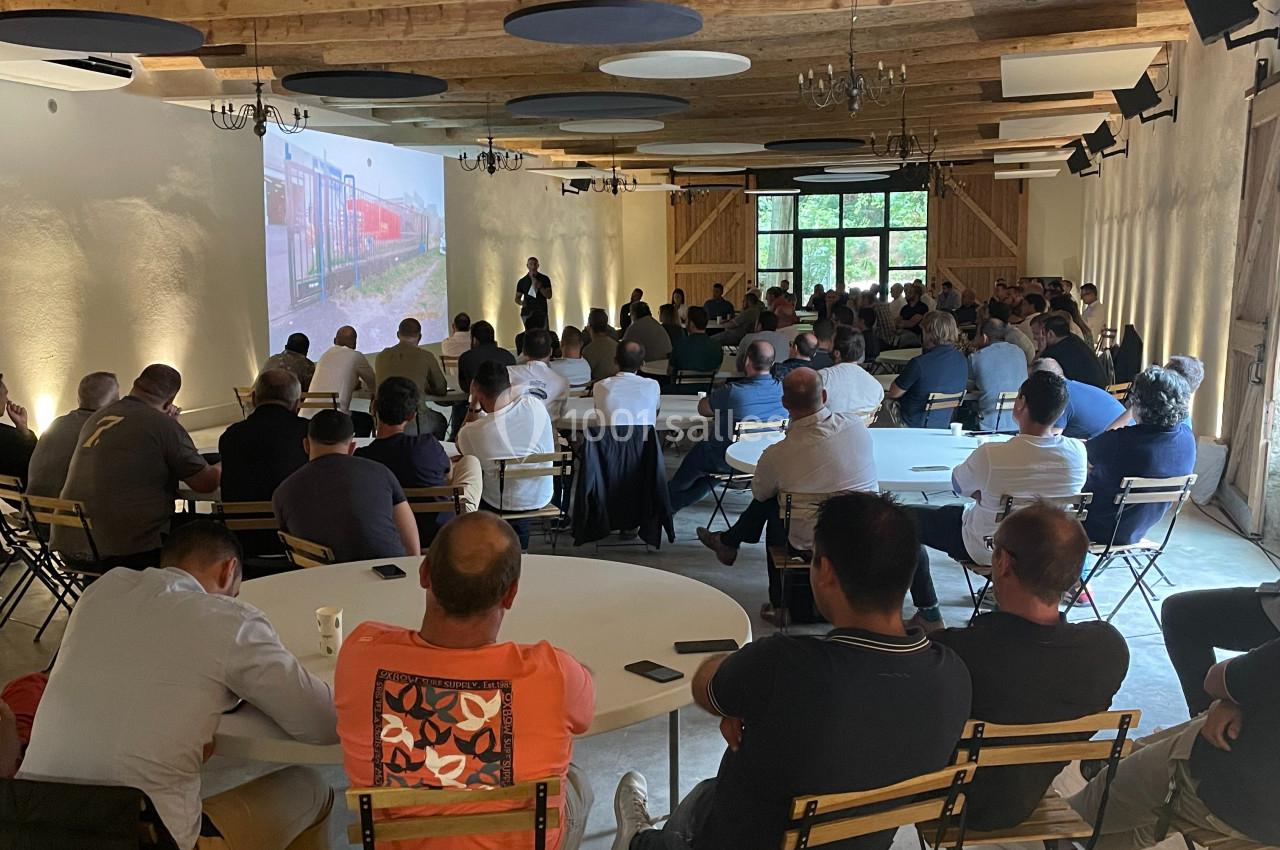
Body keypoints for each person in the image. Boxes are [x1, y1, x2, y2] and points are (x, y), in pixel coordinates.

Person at [614, 492, 973, 850]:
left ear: (826, 571)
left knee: (697, 808)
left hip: (740, 839)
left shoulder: (785, 664)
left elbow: (705, 687)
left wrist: (745, 685)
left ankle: (636, 840)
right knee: (704, 795)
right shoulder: (953, 675)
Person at [17, 522, 338, 850]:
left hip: (27, 824)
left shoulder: (100, 592)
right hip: (141, 837)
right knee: (310, 787)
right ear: (229, 570)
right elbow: (324, 724)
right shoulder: (229, 620)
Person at [336, 511, 594, 850]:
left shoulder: (358, 654)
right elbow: (584, 716)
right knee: (576, 783)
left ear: (424, 573)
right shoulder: (556, 673)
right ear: (511, 594)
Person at [931, 503, 1129, 830]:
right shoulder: (1108, 649)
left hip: (947, 801)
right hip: (1028, 797)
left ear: (1004, 563)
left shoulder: (953, 654)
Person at [905, 371, 1087, 630]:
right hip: (1047, 550)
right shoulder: (1077, 453)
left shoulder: (992, 454)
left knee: (901, 519)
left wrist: (983, 491)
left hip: (989, 545)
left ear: (1021, 403)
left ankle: (929, 612)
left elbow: (958, 485)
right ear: (1060, 411)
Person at [696, 368, 878, 624]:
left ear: (784, 403)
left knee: (775, 505)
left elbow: (759, 493)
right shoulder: (854, 427)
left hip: (808, 540)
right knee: (782, 502)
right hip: (862, 530)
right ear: (824, 396)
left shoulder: (777, 455)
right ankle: (729, 542)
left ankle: (780, 604)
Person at [1069, 635, 1280, 850]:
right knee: (1151, 817)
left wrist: (1234, 696)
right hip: (1267, 824)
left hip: (1227, 793)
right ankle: (1129, 759)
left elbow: (1216, 681)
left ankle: (1058, 832)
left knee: (1085, 811)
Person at [55, 365, 220, 570]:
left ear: (135, 385)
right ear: (170, 402)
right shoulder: (162, 424)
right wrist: (225, 461)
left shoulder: (96, 418)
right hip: (124, 551)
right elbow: (206, 483)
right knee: (211, 532)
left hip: (70, 546)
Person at [273, 409, 420, 561]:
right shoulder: (382, 473)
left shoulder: (283, 491)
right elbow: (411, 547)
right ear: (352, 448)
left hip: (322, 578)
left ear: (306, 445)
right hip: (388, 574)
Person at [667, 341, 786, 514]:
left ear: (747, 361)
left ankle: (666, 498)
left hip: (725, 457)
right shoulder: (783, 390)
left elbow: (703, 409)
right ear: (772, 363)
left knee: (699, 461)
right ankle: (670, 504)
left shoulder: (733, 392)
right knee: (710, 475)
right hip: (759, 460)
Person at [1081, 366, 1196, 545]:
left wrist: (1130, 411)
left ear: (1138, 403)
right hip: (1138, 528)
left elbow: (1089, 451)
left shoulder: (1123, 441)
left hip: (1096, 525)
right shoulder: (1188, 438)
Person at [457, 361, 557, 549]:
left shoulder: (473, 432)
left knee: (477, 480)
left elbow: (461, 446)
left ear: (477, 393)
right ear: (509, 385)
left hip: (498, 501)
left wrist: (474, 406)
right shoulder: (535, 406)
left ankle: (494, 547)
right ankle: (520, 548)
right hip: (540, 494)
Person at [356, 377, 452, 546]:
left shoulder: (363, 458)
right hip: (438, 534)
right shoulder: (428, 445)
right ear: (412, 415)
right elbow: (448, 475)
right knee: (469, 463)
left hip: (391, 537)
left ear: (374, 407)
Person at [218, 368, 308, 503]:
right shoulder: (309, 433)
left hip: (240, 521)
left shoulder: (231, 436)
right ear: (297, 404)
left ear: (254, 399)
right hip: (293, 521)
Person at [25, 371, 119, 499]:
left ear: (79, 398)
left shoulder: (56, 424)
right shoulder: (104, 430)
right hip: (69, 515)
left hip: (33, 512)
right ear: (114, 402)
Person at [886, 311, 969, 428]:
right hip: (943, 422)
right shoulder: (962, 360)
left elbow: (894, 392)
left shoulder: (919, 363)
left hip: (913, 423)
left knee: (886, 402)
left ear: (930, 333)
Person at [1033, 358, 1125, 440]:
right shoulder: (1073, 387)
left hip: (1114, 444)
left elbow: (1050, 439)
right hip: (1125, 434)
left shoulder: (1058, 394)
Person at [968, 318, 1028, 431]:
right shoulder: (1020, 352)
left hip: (989, 423)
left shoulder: (976, 357)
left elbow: (968, 387)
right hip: (1018, 422)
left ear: (984, 337)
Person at [307, 325, 377, 416]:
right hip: (334, 417)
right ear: (355, 343)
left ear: (334, 340)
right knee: (366, 421)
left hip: (307, 416)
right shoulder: (355, 356)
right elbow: (374, 383)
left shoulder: (324, 356)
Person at [376, 316, 448, 401]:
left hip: (383, 413)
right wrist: (423, 386)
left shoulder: (381, 356)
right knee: (438, 415)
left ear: (398, 335)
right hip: (415, 412)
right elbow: (441, 389)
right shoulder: (426, 356)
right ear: (420, 337)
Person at [819, 327, 884, 417]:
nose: (828, 345)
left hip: (827, 429)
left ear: (837, 353)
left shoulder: (822, 378)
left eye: (830, 342)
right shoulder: (877, 388)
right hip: (861, 429)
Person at [593, 341, 661, 427]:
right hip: (643, 439)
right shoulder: (652, 385)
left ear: (615, 361)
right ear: (642, 364)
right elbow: (655, 413)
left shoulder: (600, 386)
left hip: (608, 439)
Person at [508, 328, 571, 420]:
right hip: (549, 432)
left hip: (513, 431)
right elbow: (563, 414)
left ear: (524, 351)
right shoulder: (562, 382)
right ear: (551, 351)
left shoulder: (508, 373)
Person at [1040, 313, 1105, 387]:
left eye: (1042, 333)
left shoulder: (1054, 352)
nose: (1038, 338)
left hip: (1085, 394)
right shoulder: (1074, 340)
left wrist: (1041, 351)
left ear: (1050, 334)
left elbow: (1035, 372)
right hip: (1100, 390)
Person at [0, 373, 36, 486]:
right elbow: (37, 464)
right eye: (5, 395)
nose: (7, 400)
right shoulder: (9, 438)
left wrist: (21, 426)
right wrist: (24, 432)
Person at [669, 306, 724, 376]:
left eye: (686, 319)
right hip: (706, 386)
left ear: (691, 323)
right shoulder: (717, 347)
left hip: (682, 385)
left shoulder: (680, 345)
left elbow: (670, 371)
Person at [584, 308, 621, 382]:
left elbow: (585, 375)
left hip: (598, 389)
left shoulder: (588, 350)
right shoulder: (618, 346)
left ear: (589, 327)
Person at [515, 256, 553, 329]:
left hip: (541, 312)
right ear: (527, 266)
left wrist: (540, 287)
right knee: (529, 336)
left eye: (535, 264)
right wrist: (521, 302)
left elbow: (549, 296)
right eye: (531, 264)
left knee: (543, 336)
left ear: (538, 266)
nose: (533, 266)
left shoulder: (545, 279)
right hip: (527, 313)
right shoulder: (522, 281)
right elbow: (517, 298)